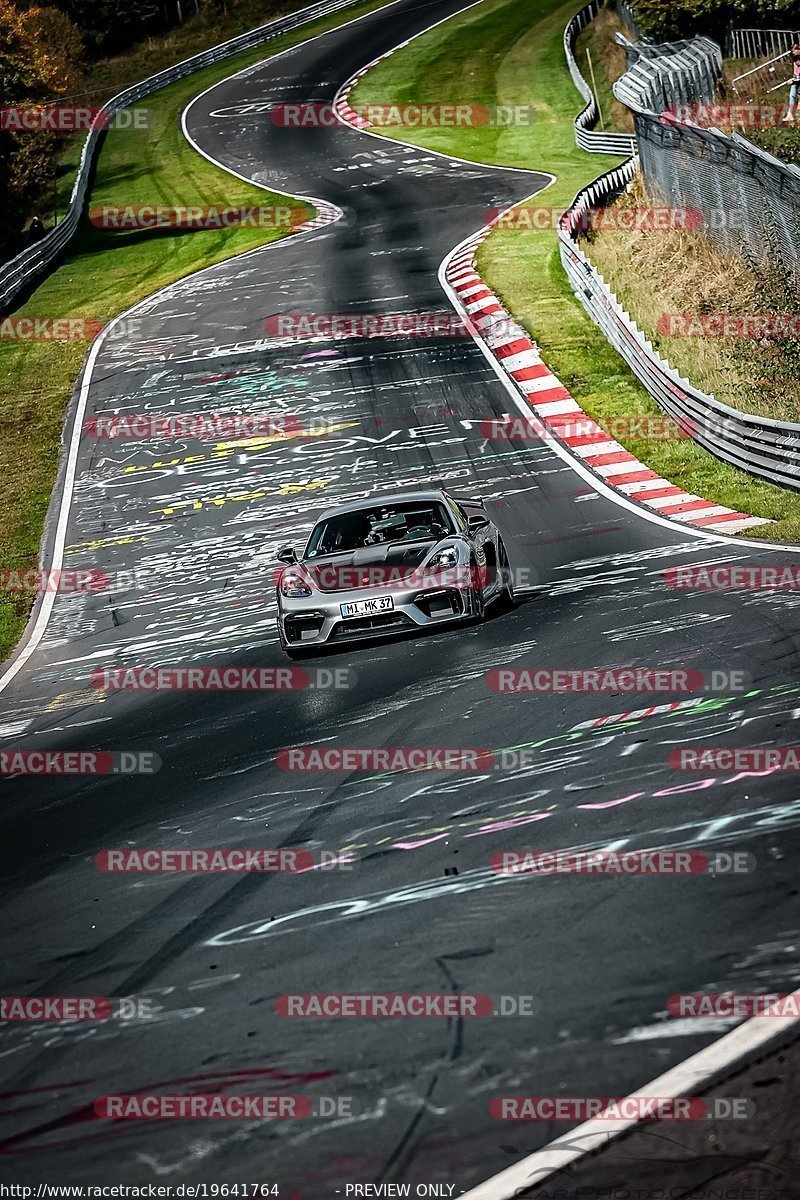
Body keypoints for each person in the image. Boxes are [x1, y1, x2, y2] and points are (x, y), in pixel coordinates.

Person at [782, 44, 800, 123]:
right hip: (795, 80)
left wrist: (793, 80)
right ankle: (790, 114)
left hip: (797, 80)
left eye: (794, 50)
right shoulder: (794, 59)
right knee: (792, 95)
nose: (793, 52)